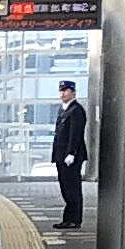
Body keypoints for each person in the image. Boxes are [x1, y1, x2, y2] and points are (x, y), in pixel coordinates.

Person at [51, 80, 89, 230]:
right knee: (65, 188)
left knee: (72, 188)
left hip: (71, 157)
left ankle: (74, 219)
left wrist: (71, 153)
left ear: (73, 92)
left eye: (66, 90)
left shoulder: (76, 110)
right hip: (61, 156)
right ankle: (68, 218)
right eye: (61, 90)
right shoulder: (64, 109)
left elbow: (75, 134)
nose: (63, 93)